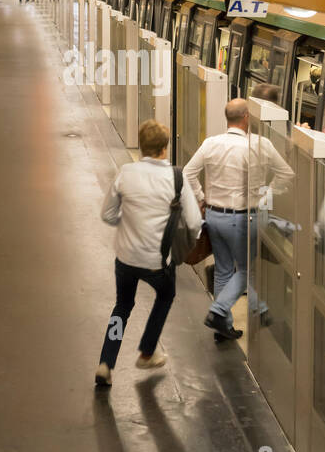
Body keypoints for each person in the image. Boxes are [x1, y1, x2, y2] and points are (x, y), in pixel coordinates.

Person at [95, 119, 201, 390]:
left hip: (126, 259)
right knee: (165, 296)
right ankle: (146, 351)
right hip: (158, 262)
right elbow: (193, 223)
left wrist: (130, 223)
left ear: (141, 147)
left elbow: (107, 214)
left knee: (122, 307)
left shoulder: (126, 173)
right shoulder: (177, 178)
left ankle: (106, 362)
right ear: (164, 148)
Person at [184, 98, 293, 342]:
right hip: (244, 219)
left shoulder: (211, 143)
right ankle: (219, 311)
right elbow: (287, 173)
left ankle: (224, 328)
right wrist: (267, 195)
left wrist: (202, 198)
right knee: (244, 270)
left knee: (223, 270)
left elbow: (188, 172)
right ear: (246, 117)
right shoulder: (260, 145)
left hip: (213, 216)